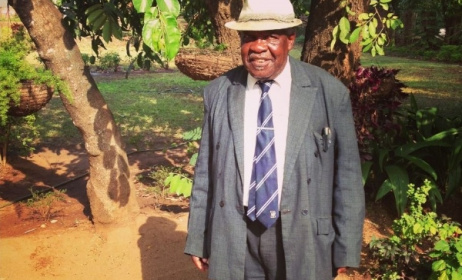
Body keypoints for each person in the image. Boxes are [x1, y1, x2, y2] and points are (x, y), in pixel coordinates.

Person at [184, 0, 365, 279]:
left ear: (290, 39)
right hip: (235, 231)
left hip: (301, 232)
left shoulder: (328, 92)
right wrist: (198, 235)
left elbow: (348, 176)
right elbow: (205, 171)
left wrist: (345, 247)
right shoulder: (219, 92)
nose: (258, 47)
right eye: (249, 38)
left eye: (270, 36)